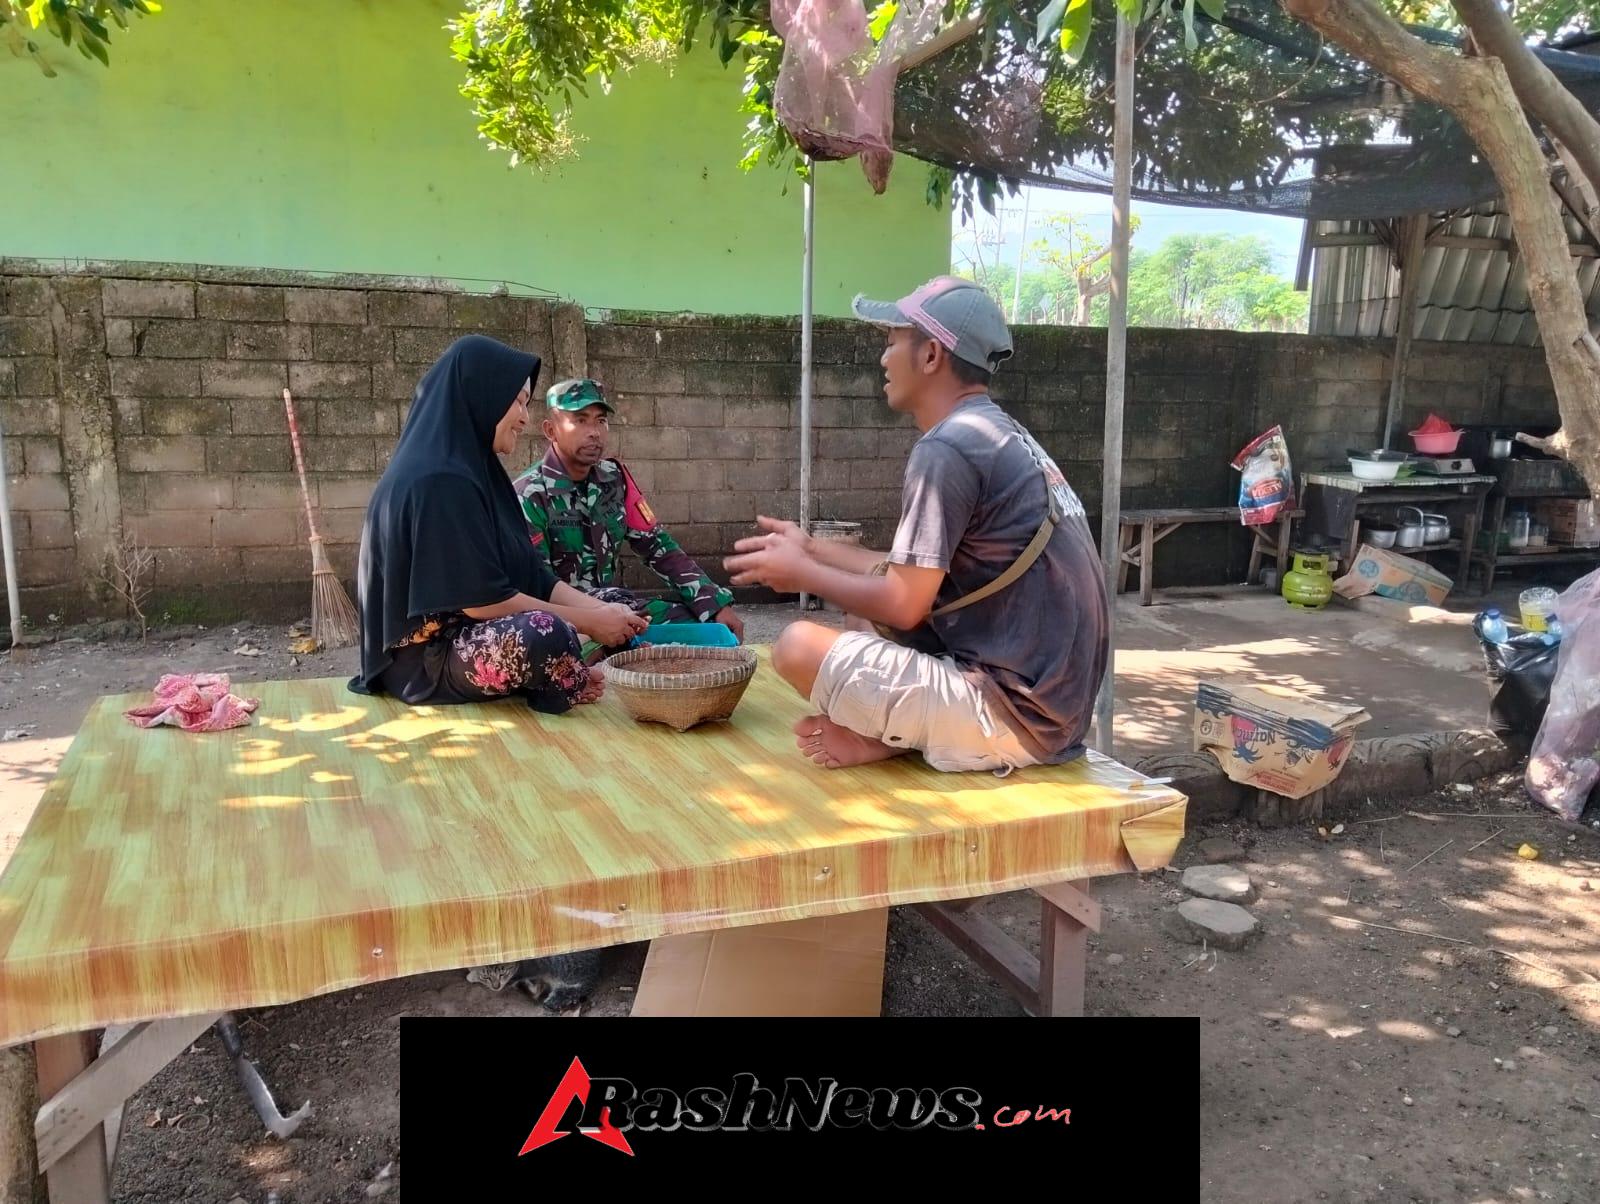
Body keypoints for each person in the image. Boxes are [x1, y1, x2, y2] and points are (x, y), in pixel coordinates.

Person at [724, 276, 1109, 773]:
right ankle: (896, 739)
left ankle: (925, 739)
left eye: (891, 342)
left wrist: (802, 575)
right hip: (1056, 711)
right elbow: (903, 572)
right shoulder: (996, 432)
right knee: (862, 619)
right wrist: (812, 549)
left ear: (930, 355)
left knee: (797, 647)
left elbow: (904, 605)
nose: (884, 359)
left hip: (1015, 716)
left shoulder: (947, 449)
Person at [350, 336, 648, 712]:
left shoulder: (479, 473)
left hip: (476, 632)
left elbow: (532, 575)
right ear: (481, 395)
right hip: (429, 660)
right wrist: (590, 623)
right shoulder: (439, 480)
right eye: (518, 401)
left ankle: (566, 669)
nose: (524, 417)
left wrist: (602, 615)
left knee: (618, 603)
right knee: (545, 633)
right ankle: (562, 673)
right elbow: (481, 601)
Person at [513, 377, 745, 647]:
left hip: (617, 612)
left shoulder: (614, 479)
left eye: (601, 421)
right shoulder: (528, 495)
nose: (594, 432)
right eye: (580, 420)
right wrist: (595, 624)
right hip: (561, 624)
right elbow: (535, 588)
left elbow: (658, 547)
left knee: (708, 631)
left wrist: (713, 603)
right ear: (551, 430)